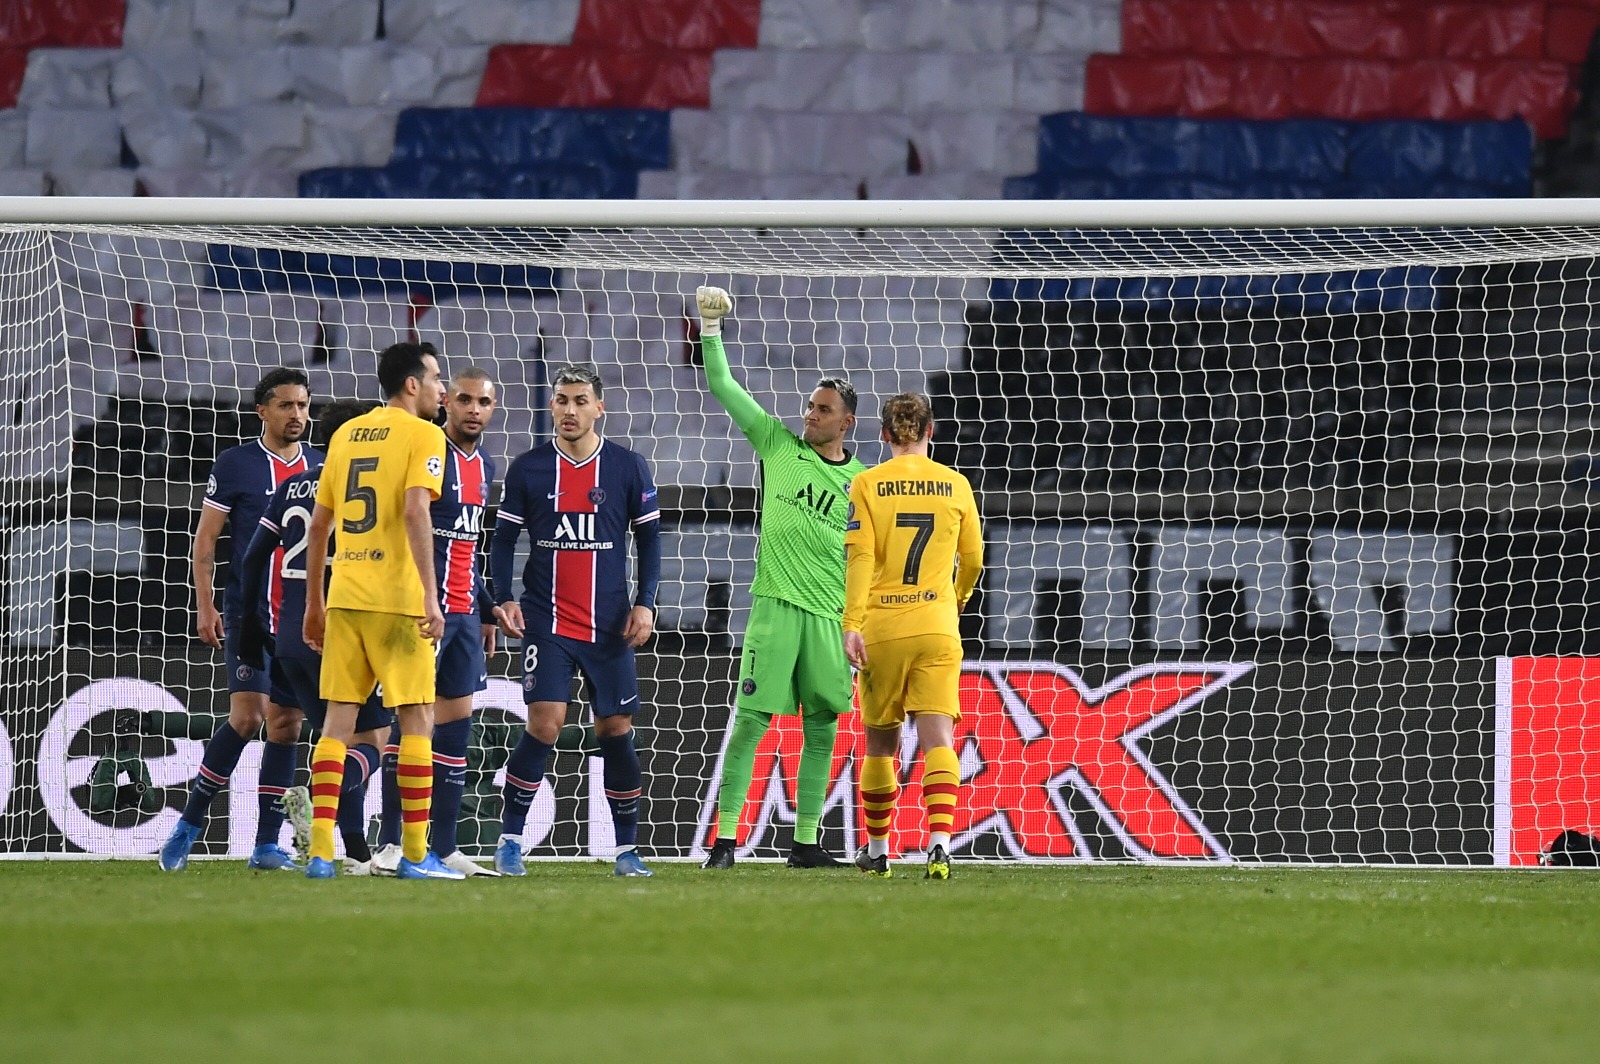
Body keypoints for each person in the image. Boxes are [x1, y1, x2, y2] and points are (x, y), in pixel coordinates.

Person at [691, 286, 864, 870]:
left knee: (822, 730)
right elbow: (724, 388)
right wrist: (710, 331)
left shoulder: (863, 483)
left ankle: (807, 843)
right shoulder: (777, 445)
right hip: (775, 607)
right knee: (751, 725)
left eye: (822, 410)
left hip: (830, 617)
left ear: (847, 422)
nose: (809, 415)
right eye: (809, 407)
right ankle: (725, 841)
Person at [489, 364, 662, 878]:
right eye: (562, 400)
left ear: (599, 407)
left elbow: (650, 540)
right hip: (547, 620)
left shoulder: (628, 467)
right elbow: (500, 541)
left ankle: (627, 850)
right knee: (545, 723)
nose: (569, 409)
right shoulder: (529, 469)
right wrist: (503, 598)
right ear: (552, 406)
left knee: (616, 727)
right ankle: (510, 841)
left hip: (609, 623)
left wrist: (646, 602)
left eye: (580, 400)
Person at [300, 341, 460, 880]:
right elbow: (416, 510)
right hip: (397, 602)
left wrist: (314, 604)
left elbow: (318, 524)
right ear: (411, 384)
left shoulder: (345, 434)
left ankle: (321, 851)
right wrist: (430, 594)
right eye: (437, 378)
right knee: (417, 719)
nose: (444, 389)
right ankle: (415, 856)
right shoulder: (426, 435)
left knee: (335, 725)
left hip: (345, 596)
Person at [159, 367, 321, 872]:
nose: (297, 415)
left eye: (302, 405)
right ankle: (188, 823)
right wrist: (205, 604)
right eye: (286, 406)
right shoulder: (236, 464)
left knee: (287, 724)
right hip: (247, 610)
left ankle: (266, 844)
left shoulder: (322, 466)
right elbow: (206, 540)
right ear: (262, 411)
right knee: (248, 718)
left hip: (295, 614)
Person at [236, 400, 394, 875]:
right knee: (374, 741)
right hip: (344, 629)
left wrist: (251, 629)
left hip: (289, 636)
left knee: (332, 737)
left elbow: (249, 561)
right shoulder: (363, 486)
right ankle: (320, 801)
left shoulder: (292, 484)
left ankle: (354, 851)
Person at [368, 366, 504, 877]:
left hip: (465, 616)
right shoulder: (429, 452)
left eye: (483, 402)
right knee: (409, 730)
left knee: (454, 733)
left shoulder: (485, 463)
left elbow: (466, 545)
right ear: (447, 403)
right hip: (422, 613)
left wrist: (489, 606)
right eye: (464, 399)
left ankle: (443, 849)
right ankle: (391, 845)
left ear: (493, 409)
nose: (473, 409)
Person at [842, 392, 983, 881]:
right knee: (939, 737)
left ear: (883, 435)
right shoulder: (956, 484)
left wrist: (851, 623)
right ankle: (941, 845)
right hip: (937, 626)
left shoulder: (866, 483)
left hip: (882, 626)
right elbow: (976, 559)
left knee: (880, 744)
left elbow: (859, 558)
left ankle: (879, 851)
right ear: (931, 431)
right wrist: (958, 598)